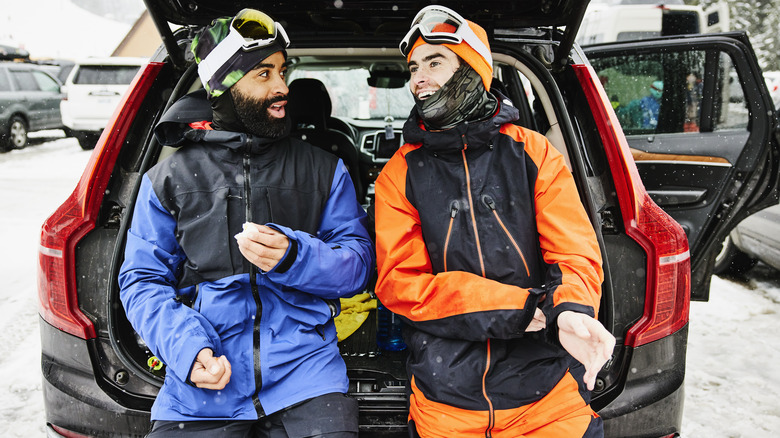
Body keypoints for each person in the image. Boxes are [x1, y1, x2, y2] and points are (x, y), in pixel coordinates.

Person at [118, 8, 374, 437]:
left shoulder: (324, 170)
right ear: (225, 86)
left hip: (307, 380)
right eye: (263, 74)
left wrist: (297, 257)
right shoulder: (166, 179)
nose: (281, 88)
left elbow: (359, 266)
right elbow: (141, 280)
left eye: (282, 71)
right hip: (201, 389)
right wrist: (188, 350)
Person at [373, 5, 615, 437]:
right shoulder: (401, 172)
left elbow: (575, 253)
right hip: (446, 401)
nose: (418, 79)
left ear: (473, 69)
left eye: (434, 62)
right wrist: (520, 308)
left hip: (547, 396)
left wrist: (570, 310)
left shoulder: (535, 153)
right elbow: (401, 284)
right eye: (413, 68)